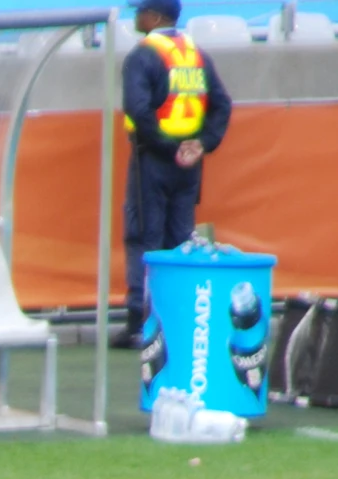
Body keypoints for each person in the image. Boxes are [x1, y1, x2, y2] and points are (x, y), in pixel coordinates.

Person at [120, 0, 231, 345]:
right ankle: (180, 319)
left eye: (139, 10)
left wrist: (169, 147)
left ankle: (142, 322)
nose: (135, 15)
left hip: (152, 159)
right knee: (181, 239)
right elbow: (222, 103)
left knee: (144, 237)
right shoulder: (196, 54)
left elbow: (139, 110)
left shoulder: (143, 55)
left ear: (153, 16)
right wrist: (201, 144)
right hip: (189, 167)